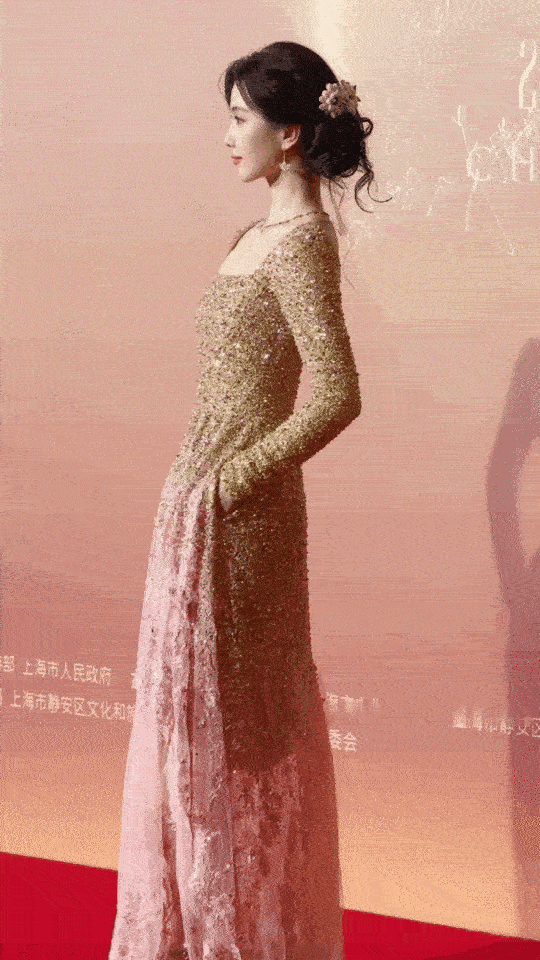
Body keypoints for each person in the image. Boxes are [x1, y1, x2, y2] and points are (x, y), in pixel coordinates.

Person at [108, 40, 381, 960]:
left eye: (240, 118)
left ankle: (249, 937)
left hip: (240, 516)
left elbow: (337, 392)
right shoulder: (248, 239)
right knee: (189, 728)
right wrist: (202, 486)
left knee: (241, 731)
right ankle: (187, 933)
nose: (228, 136)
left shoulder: (301, 246)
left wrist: (236, 479)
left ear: (291, 133)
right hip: (196, 507)